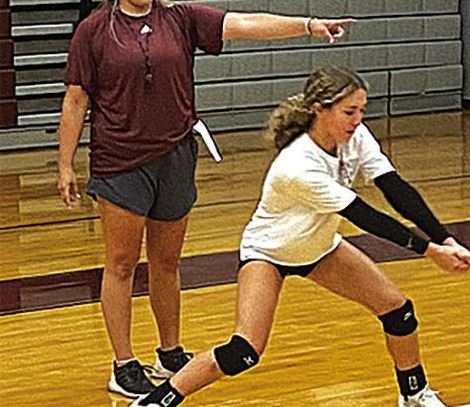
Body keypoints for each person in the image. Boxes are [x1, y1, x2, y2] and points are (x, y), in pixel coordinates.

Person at [57, 0, 354, 399]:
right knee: (122, 264)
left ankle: (169, 352)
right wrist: (65, 165)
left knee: (167, 262)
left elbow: (246, 24)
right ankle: (124, 363)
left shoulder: (181, 18)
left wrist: (308, 25)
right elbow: (76, 100)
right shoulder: (93, 31)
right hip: (120, 161)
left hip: (175, 156)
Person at [129, 66, 470, 407]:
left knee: (398, 312)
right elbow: (364, 216)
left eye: (361, 111)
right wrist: (428, 251)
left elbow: (394, 188)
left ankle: (414, 395)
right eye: (349, 111)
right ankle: (155, 401)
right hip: (269, 253)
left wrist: (444, 239)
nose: (357, 120)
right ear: (319, 110)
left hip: (320, 249)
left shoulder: (356, 138)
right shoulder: (297, 166)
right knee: (244, 351)